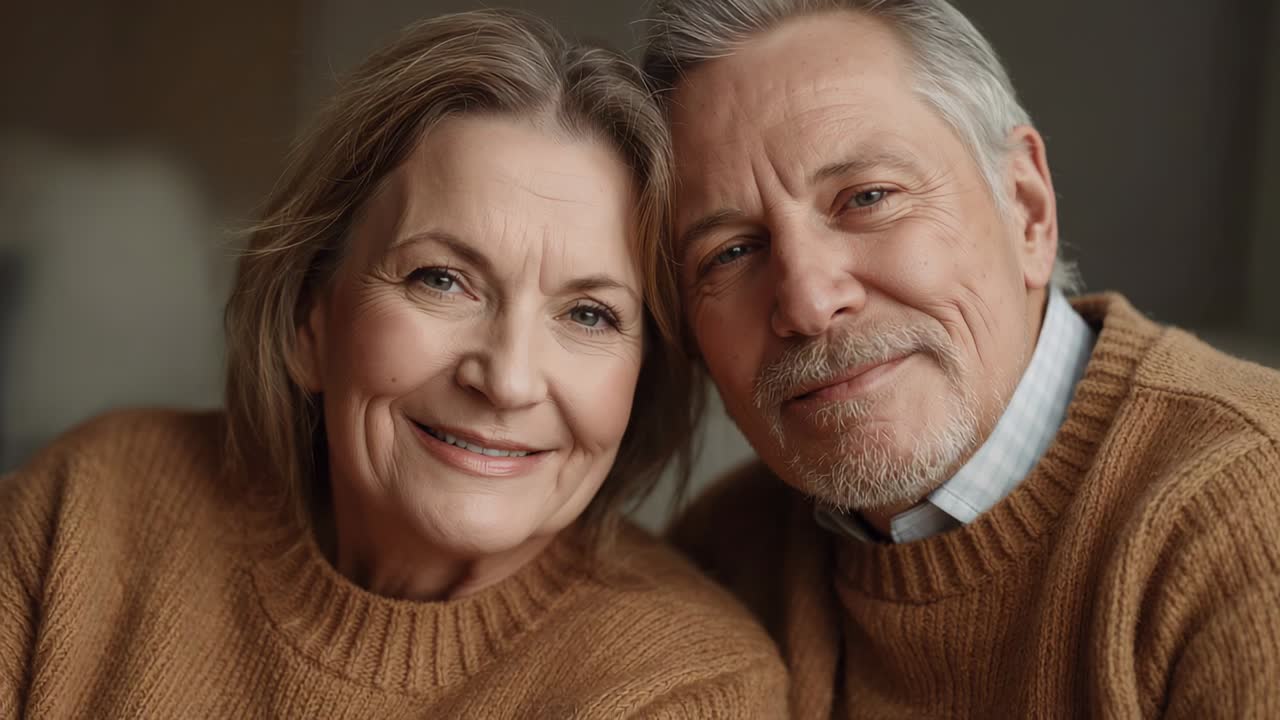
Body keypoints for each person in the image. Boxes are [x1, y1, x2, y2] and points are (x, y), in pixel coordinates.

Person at [0, 10, 787, 718]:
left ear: (642, 378)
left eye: (589, 314)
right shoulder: (92, 505)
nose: (507, 379)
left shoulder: (683, 689)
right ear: (311, 318)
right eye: (440, 279)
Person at [642, 0, 1280, 716]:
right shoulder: (722, 558)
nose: (809, 303)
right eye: (731, 251)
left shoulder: (1252, 513)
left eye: (868, 197)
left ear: (1028, 208)